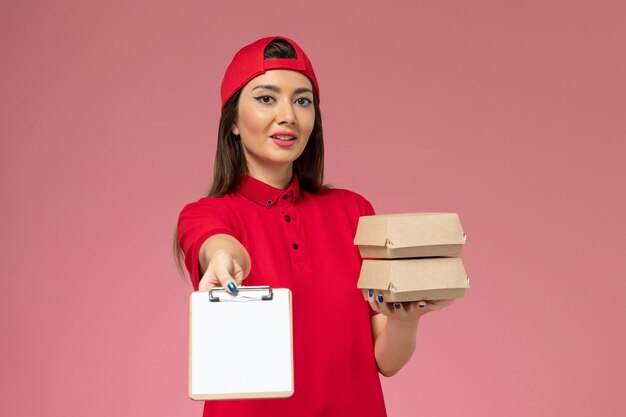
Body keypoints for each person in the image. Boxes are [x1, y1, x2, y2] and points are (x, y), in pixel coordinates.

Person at [174, 35, 454, 417]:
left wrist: (407, 319)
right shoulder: (207, 213)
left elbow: (386, 361)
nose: (288, 114)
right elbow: (216, 244)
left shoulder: (354, 212)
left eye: (302, 100)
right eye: (266, 98)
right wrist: (224, 259)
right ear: (233, 121)